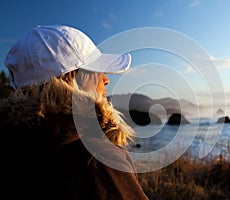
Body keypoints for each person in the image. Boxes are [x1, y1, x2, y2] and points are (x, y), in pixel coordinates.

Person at [0, 25, 148, 199]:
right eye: (95, 71)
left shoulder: (13, 141)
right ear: (67, 80)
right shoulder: (97, 161)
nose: (106, 79)